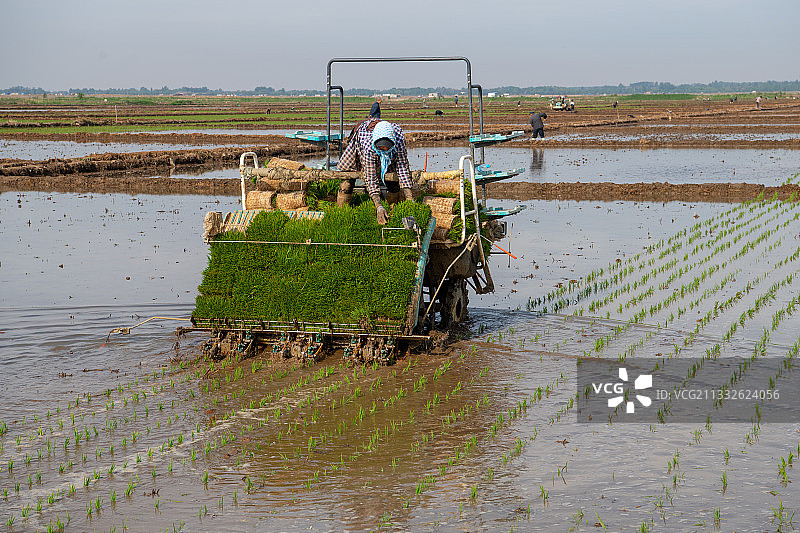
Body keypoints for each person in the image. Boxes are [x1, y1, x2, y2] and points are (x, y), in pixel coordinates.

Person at [337, 118, 413, 225]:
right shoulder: (368, 145)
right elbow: (371, 178)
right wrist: (379, 206)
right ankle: (341, 214)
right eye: (381, 147)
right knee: (347, 183)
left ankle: (392, 210)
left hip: (391, 152)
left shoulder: (398, 140)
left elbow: (402, 167)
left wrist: (410, 199)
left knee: (393, 182)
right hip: (359, 150)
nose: (384, 150)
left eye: (387, 148)